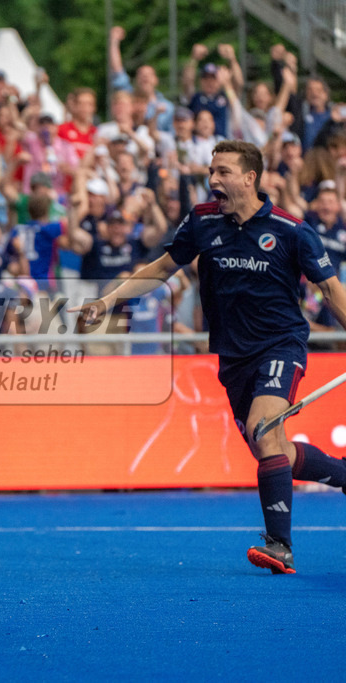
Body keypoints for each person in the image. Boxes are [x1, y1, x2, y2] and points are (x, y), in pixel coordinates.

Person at [72, 140, 346, 574]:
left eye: (223, 171)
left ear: (249, 178)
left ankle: (279, 546)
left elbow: (330, 290)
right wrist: (110, 301)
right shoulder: (202, 221)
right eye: (211, 170)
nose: (213, 179)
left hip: (281, 345)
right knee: (270, 449)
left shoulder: (292, 230)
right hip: (232, 357)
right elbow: (163, 268)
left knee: (264, 428)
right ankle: (343, 475)